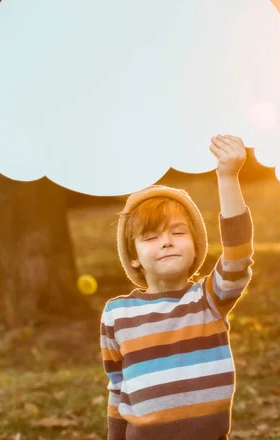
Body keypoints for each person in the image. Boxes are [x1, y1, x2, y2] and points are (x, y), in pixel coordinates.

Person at [99, 134, 255, 440]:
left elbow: (238, 255)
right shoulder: (117, 314)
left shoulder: (209, 299)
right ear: (133, 257)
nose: (167, 241)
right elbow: (117, 386)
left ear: (196, 247)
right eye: (151, 237)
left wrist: (227, 176)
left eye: (177, 232)